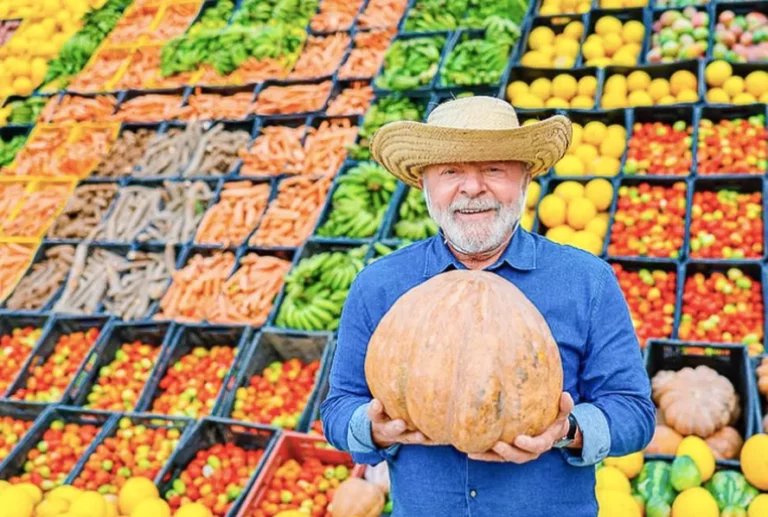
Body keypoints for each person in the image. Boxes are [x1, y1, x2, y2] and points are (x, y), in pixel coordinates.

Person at [320, 96, 656, 516]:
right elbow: (337, 409)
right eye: (451, 171)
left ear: (525, 179)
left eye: (494, 168)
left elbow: (635, 414)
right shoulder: (379, 286)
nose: (473, 187)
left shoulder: (586, 281)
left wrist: (567, 430)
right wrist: (374, 429)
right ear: (425, 184)